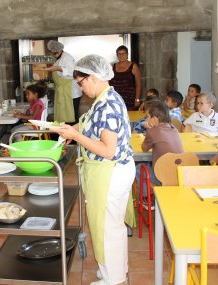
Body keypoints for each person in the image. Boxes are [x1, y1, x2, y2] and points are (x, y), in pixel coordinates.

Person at [56, 54, 134, 285]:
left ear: (93, 77)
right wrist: (72, 129)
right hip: (107, 171)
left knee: (108, 227)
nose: (80, 88)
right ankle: (112, 270)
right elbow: (90, 122)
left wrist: (76, 136)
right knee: (108, 225)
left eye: (81, 83)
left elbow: (108, 149)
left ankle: (113, 278)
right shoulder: (103, 98)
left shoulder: (108, 104)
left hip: (110, 171)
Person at [136, 100, 183, 193]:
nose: (146, 119)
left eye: (147, 117)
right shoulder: (173, 128)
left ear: (154, 119)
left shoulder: (153, 132)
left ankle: (146, 198)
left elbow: (144, 149)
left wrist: (148, 129)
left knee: (139, 168)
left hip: (163, 177)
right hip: (179, 176)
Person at [46, 40, 82, 123]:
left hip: (71, 93)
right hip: (64, 92)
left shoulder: (67, 58)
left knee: (71, 116)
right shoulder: (60, 58)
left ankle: (72, 134)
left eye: (53, 53)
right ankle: (65, 134)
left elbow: (73, 72)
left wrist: (59, 68)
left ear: (59, 51)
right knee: (64, 116)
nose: (52, 55)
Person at [109, 45, 141, 110]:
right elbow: (108, 84)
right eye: (119, 53)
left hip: (129, 100)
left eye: (123, 53)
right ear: (117, 55)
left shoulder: (133, 66)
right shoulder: (112, 66)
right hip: (115, 100)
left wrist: (137, 99)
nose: (121, 55)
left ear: (127, 55)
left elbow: (138, 85)